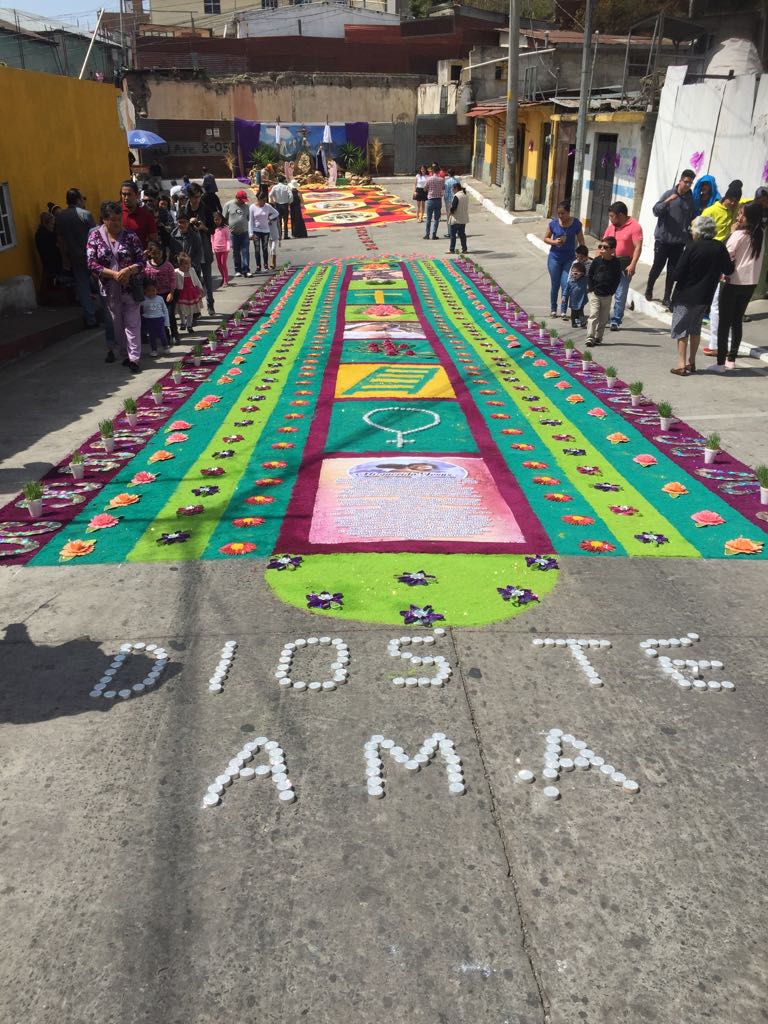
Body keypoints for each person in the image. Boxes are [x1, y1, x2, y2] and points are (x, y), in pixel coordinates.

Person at [668, 215, 733, 376]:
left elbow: (678, 273)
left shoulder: (692, 247)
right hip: (705, 296)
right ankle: (692, 362)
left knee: (681, 329)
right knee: (695, 329)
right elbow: (729, 269)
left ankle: (681, 364)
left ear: (699, 231)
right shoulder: (719, 247)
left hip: (685, 295)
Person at [86, 200, 145, 373]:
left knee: (133, 323)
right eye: (112, 219)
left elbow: (142, 260)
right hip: (110, 289)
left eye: (119, 219)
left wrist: (129, 270)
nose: (117, 223)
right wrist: (113, 274)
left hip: (130, 288)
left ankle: (134, 358)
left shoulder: (130, 236)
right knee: (117, 324)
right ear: (104, 220)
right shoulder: (95, 237)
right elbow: (91, 263)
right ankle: (125, 353)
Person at [709, 201, 764, 372]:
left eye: (742, 214)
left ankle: (720, 362)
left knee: (724, 322)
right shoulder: (760, 233)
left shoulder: (739, 235)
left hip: (733, 281)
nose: (739, 217)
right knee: (737, 320)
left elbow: (726, 253)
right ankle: (731, 358)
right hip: (750, 282)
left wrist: (730, 233)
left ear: (749, 217)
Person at [700, 179, 743, 355]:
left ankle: (715, 341)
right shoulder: (710, 211)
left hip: (726, 260)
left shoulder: (737, 212)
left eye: (736, 201)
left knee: (718, 300)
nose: (733, 203)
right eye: (731, 199)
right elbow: (700, 233)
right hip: (712, 256)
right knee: (710, 295)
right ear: (725, 196)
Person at [645, 169, 696, 308]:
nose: (687, 185)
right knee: (657, 267)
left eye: (690, 183)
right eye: (685, 182)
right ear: (680, 180)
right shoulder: (669, 194)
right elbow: (656, 211)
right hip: (663, 241)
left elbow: (692, 218)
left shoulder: (690, 200)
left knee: (673, 271)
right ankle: (649, 288)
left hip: (678, 243)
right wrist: (667, 201)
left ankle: (667, 297)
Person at [55, 188, 98, 327]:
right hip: (91, 256)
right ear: (78, 199)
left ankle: (91, 319)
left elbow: (60, 240)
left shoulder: (61, 217)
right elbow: (96, 237)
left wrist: (64, 258)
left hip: (74, 256)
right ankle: (110, 314)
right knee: (101, 284)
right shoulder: (85, 214)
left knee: (83, 287)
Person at [602, 200, 643, 331]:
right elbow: (603, 243)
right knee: (606, 291)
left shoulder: (635, 227)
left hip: (625, 264)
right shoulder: (611, 227)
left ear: (620, 215)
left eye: (611, 216)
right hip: (609, 263)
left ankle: (616, 319)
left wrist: (633, 264)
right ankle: (604, 316)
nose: (610, 219)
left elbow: (638, 247)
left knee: (620, 293)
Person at [543, 201, 585, 317]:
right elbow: (545, 238)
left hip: (569, 259)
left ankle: (563, 310)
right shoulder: (553, 224)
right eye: (559, 214)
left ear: (568, 213)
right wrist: (554, 242)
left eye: (563, 213)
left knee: (565, 284)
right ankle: (553, 308)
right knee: (555, 284)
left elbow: (581, 240)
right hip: (554, 258)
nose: (561, 216)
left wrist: (582, 254)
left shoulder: (576, 224)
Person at [184, 183, 220, 315]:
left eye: (198, 197)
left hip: (204, 248)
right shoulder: (184, 208)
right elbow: (179, 227)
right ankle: (196, 309)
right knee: (194, 281)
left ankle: (210, 304)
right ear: (189, 197)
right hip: (190, 250)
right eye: (194, 197)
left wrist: (203, 227)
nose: (197, 200)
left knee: (208, 280)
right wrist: (189, 223)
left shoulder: (205, 208)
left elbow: (212, 229)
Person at [585, 236, 621, 348]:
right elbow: (590, 275)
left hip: (607, 295)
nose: (601, 249)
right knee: (593, 315)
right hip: (595, 293)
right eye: (600, 246)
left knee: (604, 318)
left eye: (605, 247)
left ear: (612, 250)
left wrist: (612, 291)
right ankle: (590, 337)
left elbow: (617, 278)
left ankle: (598, 337)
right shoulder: (596, 261)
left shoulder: (616, 263)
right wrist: (591, 289)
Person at [143, 239, 179, 344]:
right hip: (155, 296)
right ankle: (165, 335)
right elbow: (143, 278)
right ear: (150, 254)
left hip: (168, 293)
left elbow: (173, 280)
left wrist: (171, 293)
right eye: (154, 254)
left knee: (170, 314)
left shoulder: (168, 265)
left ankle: (175, 333)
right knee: (159, 315)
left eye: (159, 253)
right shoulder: (147, 266)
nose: (157, 256)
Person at [222, 189, 252, 278]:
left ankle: (246, 270)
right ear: (237, 198)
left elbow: (248, 218)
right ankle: (238, 270)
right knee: (236, 252)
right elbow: (224, 218)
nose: (243, 202)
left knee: (245, 251)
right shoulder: (228, 205)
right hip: (233, 233)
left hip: (244, 232)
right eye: (241, 200)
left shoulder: (246, 207)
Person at [120, 180, 157, 247]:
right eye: (123, 194)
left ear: (137, 195)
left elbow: (153, 240)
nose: (126, 198)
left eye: (129, 194)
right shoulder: (115, 214)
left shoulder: (147, 215)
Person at [140, 280, 171, 357]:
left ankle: (165, 346)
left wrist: (166, 322)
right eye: (149, 291)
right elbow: (139, 309)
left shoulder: (160, 298)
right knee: (152, 336)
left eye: (153, 290)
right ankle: (154, 350)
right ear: (145, 291)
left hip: (159, 319)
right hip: (149, 320)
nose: (151, 293)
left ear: (156, 290)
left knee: (162, 334)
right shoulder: (143, 300)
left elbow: (165, 310)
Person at [249, 194, 279, 273]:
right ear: (258, 200)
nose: (264, 202)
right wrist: (251, 233)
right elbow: (250, 221)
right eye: (263, 201)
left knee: (265, 248)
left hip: (266, 231)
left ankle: (266, 265)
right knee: (257, 249)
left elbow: (276, 213)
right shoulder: (252, 207)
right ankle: (258, 266)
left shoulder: (267, 206)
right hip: (256, 230)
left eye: (265, 201)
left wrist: (270, 218)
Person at [563, 244, 591, 327]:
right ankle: (574, 322)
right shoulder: (575, 262)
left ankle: (582, 321)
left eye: (581, 257)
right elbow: (570, 275)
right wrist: (569, 284)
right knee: (574, 310)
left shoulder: (590, 264)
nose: (579, 259)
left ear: (586, 256)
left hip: (582, 291)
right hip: (573, 292)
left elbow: (590, 277)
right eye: (577, 257)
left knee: (580, 309)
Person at [175, 252, 203, 333]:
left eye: (189, 263)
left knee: (190, 310)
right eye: (186, 264)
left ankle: (189, 325)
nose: (189, 265)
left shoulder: (192, 270)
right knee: (181, 310)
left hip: (191, 293)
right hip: (181, 294)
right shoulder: (176, 272)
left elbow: (196, 280)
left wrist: (200, 288)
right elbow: (174, 283)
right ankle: (183, 322)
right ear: (180, 265)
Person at [35, 212, 63, 285]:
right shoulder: (46, 235)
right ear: (45, 223)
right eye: (51, 224)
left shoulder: (41, 233)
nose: (53, 227)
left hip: (49, 265)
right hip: (52, 266)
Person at [423, 165, 445, 240]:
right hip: (438, 200)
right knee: (436, 218)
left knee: (428, 218)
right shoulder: (441, 180)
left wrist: (429, 189)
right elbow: (443, 188)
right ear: (439, 171)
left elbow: (425, 189)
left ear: (432, 171)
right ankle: (434, 234)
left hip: (430, 200)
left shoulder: (429, 179)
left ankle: (427, 234)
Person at [268, 175, 293, 241]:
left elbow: (270, 194)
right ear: (283, 180)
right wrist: (289, 202)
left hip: (277, 205)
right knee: (285, 221)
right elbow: (291, 195)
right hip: (285, 205)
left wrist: (272, 201)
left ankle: (279, 235)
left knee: (278, 221)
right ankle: (286, 235)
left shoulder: (275, 187)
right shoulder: (286, 187)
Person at [447, 183, 469, 254]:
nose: (452, 190)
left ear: (456, 188)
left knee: (453, 235)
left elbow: (453, 207)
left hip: (456, 219)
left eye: (453, 188)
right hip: (463, 219)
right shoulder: (465, 195)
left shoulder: (457, 196)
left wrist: (450, 213)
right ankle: (464, 249)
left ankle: (452, 249)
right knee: (462, 234)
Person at [211, 210, 232, 287]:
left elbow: (228, 239)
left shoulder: (225, 228)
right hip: (217, 249)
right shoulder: (213, 228)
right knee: (219, 265)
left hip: (224, 249)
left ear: (221, 219)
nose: (217, 221)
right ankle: (223, 278)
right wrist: (213, 248)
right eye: (215, 219)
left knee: (223, 264)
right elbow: (212, 239)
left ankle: (226, 281)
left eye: (218, 219)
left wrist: (228, 247)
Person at [443, 168, 460, 232]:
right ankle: (458, 231)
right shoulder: (457, 181)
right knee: (457, 216)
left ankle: (450, 232)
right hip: (457, 200)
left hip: (449, 201)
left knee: (449, 216)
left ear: (448, 174)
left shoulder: (447, 182)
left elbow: (446, 192)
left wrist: (445, 200)